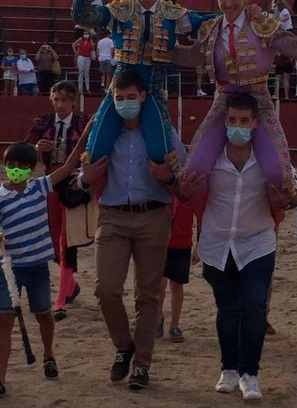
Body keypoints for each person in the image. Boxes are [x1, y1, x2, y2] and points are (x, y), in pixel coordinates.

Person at [78, 70, 199, 391]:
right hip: (114, 216)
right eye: (120, 98)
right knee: (106, 289)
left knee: (148, 295)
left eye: (132, 97)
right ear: (112, 99)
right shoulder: (106, 131)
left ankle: (142, 364)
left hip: (153, 216)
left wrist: (168, 178)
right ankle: (123, 346)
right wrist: (83, 178)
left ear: (144, 96)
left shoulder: (164, 133)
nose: (126, 103)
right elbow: (84, 175)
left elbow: (184, 189)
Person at [183, 93, 297, 401]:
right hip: (217, 242)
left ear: (255, 123)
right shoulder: (210, 159)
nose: (238, 126)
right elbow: (185, 188)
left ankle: (250, 373)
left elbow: (295, 188)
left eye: (244, 121)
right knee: (228, 309)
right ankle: (229, 369)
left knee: (254, 307)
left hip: (257, 243)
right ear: (224, 123)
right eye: (233, 120)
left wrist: (286, 201)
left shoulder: (268, 158)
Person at [179, 0, 297, 210]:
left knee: (279, 174)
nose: (229, 3)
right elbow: (192, 56)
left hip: (259, 101)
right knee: (195, 170)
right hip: (224, 100)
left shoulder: (261, 24)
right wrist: (153, 47)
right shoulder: (211, 29)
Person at [72, 0, 210, 167]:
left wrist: (245, 14)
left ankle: (164, 197)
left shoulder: (174, 14)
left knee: (160, 152)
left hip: (153, 89)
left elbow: (210, 22)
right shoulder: (118, 10)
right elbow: (83, 16)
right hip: (119, 89)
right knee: (96, 148)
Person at [0, 134, 89, 397]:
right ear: (5, 165)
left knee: (43, 315)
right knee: (4, 319)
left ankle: (49, 354)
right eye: (11, 164)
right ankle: (1, 378)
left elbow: (68, 166)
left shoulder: (39, 187)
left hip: (37, 266)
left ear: (32, 168)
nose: (16, 170)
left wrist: (84, 137)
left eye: (22, 166)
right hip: (8, 270)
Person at [25, 81, 89, 321]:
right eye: (56, 99)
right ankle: (70, 286)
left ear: (73, 101)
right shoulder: (42, 122)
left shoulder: (83, 123)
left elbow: (94, 152)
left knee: (66, 241)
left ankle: (60, 301)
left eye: (64, 100)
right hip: (50, 185)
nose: (59, 105)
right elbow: (23, 153)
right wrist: (35, 148)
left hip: (74, 186)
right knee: (52, 241)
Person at [157, 200, 194, 343]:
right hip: (162, 243)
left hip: (183, 244)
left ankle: (175, 325)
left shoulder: (190, 194)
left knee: (177, 285)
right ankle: (158, 317)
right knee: (160, 284)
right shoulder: (165, 193)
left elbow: (201, 215)